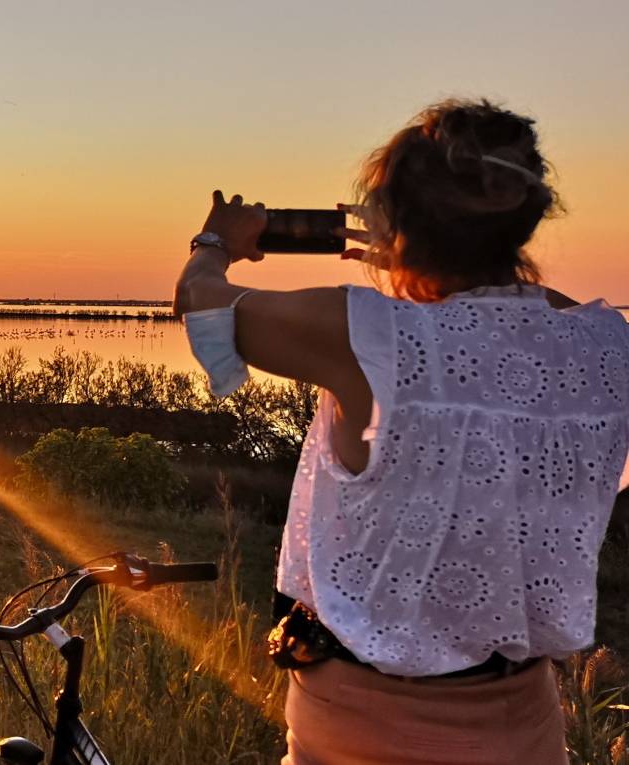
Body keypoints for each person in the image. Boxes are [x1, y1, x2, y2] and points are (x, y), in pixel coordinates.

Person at [174, 99, 628, 764]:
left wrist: (214, 241)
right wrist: (436, 268)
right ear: (524, 215)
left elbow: (200, 303)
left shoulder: (370, 333)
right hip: (522, 724)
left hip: (362, 723)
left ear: (397, 221)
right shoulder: (602, 343)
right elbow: (521, 319)